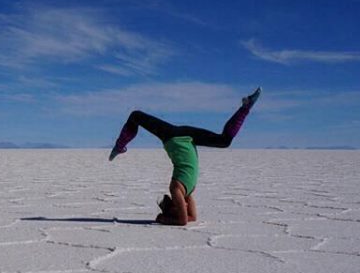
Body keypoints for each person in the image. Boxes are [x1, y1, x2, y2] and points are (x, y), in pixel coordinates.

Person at [108, 87, 261, 226]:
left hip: (173, 136)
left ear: (174, 207)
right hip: (188, 138)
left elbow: (183, 221)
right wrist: (176, 215)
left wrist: (162, 219)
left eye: (181, 207)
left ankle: (120, 146)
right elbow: (191, 218)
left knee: (136, 115)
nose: (186, 207)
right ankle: (245, 107)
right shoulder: (186, 192)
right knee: (224, 141)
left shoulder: (176, 189)